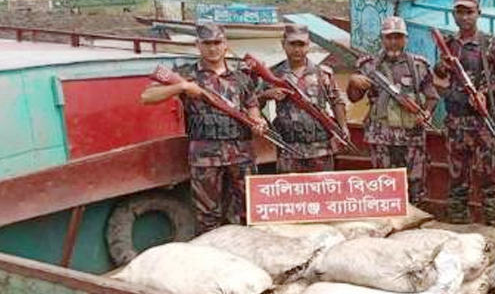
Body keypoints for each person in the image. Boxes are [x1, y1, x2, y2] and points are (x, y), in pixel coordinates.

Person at [140, 23, 266, 233]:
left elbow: (252, 106)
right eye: (207, 43)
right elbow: (146, 97)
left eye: (217, 42)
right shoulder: (186, 74)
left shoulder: (241, 77)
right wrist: (181, 86)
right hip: (204, 156)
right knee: (208, 218)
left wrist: (257, 121)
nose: (213, 48)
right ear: (198, 45)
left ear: (225, 45)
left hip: (241, 155)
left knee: (250, 212)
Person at [433, 0, 495, 226]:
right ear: (454, 14)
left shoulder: (493, 44)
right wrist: (441, 67)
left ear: (478, 13)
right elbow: (438, 77)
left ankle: (492, 229)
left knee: (490, 181)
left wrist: (486, 93)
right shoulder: (448, 44)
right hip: (456, 122)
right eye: (460, 12)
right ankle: (459, 227)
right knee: (457, 180)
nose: (465, 17)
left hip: (484, 125)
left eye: (469, 12)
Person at [346, 16, 440, 208]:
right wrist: (353, 82)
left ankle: (415, 228)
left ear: (406, 39)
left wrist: (427, 113)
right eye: (389, 37)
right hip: (381, 136)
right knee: (383, 186)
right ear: (382, 39)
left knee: (416, 186)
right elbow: (354, 98)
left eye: (398, 37)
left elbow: (432, 97)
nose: (393, 42)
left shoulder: (419, 66)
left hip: (411, 136)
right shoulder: (369, 66)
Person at [256, 23, 350, 173]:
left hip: (320, 149)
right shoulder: (273, 74)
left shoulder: (322, 74)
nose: (297, 49)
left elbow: (336, 101)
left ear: (308, 45)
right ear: (283, 44)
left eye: (302, 44)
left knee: (322, 192)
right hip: (288, 149)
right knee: (291, 194)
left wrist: (343, 127)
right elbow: (253, 105)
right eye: (292, 44)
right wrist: (266, 95)